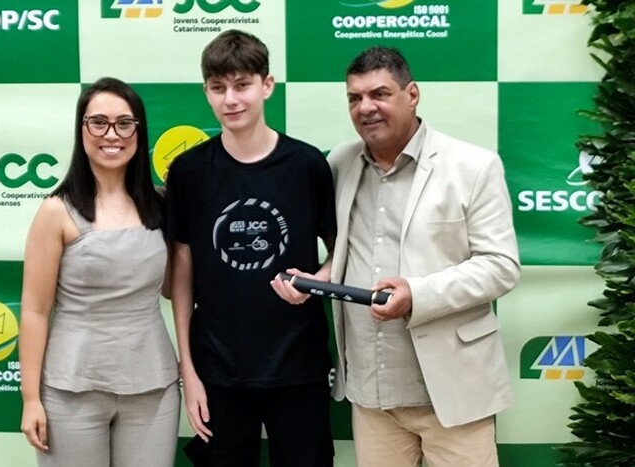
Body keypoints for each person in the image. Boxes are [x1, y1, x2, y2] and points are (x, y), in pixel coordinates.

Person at [325, 46, 521, 467]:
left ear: (412, 94)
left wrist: (417, 294)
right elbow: (340, 252)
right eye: (354, 98)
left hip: (453, 391)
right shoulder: (339, 163)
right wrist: (315, 277)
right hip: (372, 393)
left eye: (380, 94)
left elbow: (501, 266)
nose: (365, 107)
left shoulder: (473, 166)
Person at [164, 29, 337, 467]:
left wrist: (318, 281)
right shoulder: (188, 171)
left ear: (267, 85)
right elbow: (181, 272)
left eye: (242, 85)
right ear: (206, 91)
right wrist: (189, 371)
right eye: (218, 87)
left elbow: (341, 252)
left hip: (299, 366)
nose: (230, 99)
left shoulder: (307, 165)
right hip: (217, 370)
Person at [18, 77, 180, 467]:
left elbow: (174, 288)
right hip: (71, 389)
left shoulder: (161, 205)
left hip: (153, 387)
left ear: (139, 131)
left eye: (124, 123)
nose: (112, 134)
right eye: (99, 122)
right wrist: (30, 399)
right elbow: (35, 311)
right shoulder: (56, 211)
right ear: (82, 128)